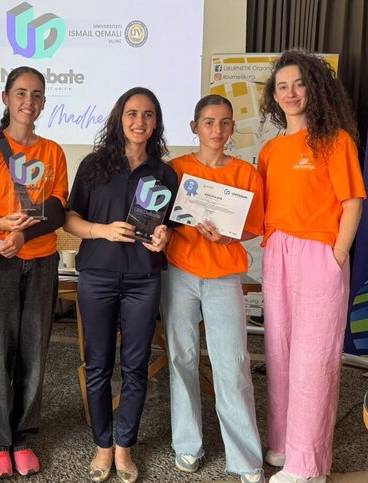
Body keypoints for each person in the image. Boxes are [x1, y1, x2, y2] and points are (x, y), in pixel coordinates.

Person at [258, 49, 366, 483]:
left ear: (314, 89)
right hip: (277, 254)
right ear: (274, 95)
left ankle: (308, 465)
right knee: (280, 352)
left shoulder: (336, 141)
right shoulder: (270, 150)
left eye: (299, 84)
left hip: (319, 255)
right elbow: (260, 211)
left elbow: (352, 203)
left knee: (313, 359)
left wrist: (336, 256)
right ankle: (285, 444)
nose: (290, 93)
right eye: (282, 86)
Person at [64, 87, 177, 483]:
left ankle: (125, 446)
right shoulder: (94, 165)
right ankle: (103, 445)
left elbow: (169, 226)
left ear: (156, 123)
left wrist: (164, 237)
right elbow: (70, 219)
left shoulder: (164, 173)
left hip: (144, 279)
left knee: (135, 366)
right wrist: (102, 230)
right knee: (97, 365)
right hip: (97, 276)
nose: (139, 121)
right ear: (119, 118)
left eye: (148, 114)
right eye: (132, 113)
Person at [0, 66, 68, 478]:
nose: (29, 101)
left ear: (44, 102)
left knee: (34, 353)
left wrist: (24, 236)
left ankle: (23, 437)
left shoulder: (53, 151)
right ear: (6, 98)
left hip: (42, 261)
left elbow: (57, 210)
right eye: (22, 93)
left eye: (37, 94)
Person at [160, 94, 265, 483]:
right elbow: (161, 218)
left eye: (224, 122)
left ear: (232, 127)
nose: (217, 130)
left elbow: (255, 226)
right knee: (181, 358)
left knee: (233, 363)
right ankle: (188, 444)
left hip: (224, 277)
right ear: (194, 127)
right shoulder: (175, 170)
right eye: (209, 122)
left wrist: (228, 237)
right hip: (179, 273)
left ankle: (245, 458)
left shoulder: (246, 173)